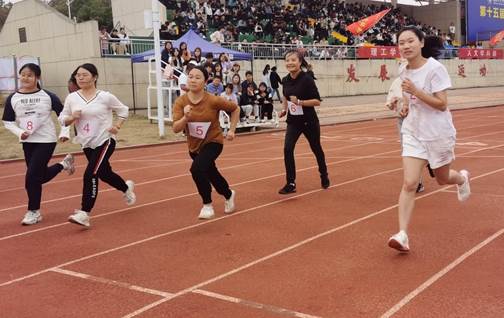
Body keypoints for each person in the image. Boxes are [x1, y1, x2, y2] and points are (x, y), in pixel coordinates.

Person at [387, 26, 471, 253]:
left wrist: (415, 91)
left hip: (437, 133)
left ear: (422, 42)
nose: (406, 46)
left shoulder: (436, 69)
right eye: (401, 42)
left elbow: (442, 104)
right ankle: (402, 234)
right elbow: (408, 98)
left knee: (443, 179)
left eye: (410, 41)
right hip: (413, 131)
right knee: (409, 183)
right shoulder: (403, 70)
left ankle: (461, 179)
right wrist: (402, 105)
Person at [59, 63, 136, 228]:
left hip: (105, 140)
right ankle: (125, 188)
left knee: (90, 173)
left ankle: (84, 213)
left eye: (84, 74)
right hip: (87, 143)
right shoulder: (72, 98)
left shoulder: (105, 96)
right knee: (104, 173)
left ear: (94, 77)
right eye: (78, 75)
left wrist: (117, 126)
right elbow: (63, 119)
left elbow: (123, 110)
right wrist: (71, 118)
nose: (80, 77)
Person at [2, 63, 75, 225]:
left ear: (37, 77)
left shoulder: (48, 96)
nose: (25, 78)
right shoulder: (13, 98)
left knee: (31, 177)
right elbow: (7, 121)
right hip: (28, 142)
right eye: (23, 75)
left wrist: (64, 133)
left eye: (29, 75)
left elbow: (63, 116)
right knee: (38, 177)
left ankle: (33, 211)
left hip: (46, 140)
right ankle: (64, 164)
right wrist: (20, 132)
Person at [172, 66, 240, 219]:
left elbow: (235, 109)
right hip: (194, 146)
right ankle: (228, 194)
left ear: (205, 81)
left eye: (198, 77)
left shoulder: (213, 99)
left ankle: (207, 205)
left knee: (197, 169)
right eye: (190, 76)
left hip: (213, 141)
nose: (193, 80)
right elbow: (176, 128)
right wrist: (185, 118)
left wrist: (232, 130)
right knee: (211, 173)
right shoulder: (181, 102)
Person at [278, 49, 329, 194]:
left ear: (300, 62)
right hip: (293, 121)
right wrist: (284, 109)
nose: (290, 63)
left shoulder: (307, 79)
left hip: (309, 121)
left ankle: (323, 174)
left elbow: (317, 101)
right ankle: (291, 183)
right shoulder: (285, 80)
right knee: (287, 149)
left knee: (316, 148)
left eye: (293, 60)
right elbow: (285, 96)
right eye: (287, 60)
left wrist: (300, 102)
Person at [385, 60, 425, 193]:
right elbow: (390, 103)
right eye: (400, 65)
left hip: (418, 120)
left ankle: (427, 166)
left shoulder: (418, 80)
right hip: (402, 121)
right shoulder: (396, 82)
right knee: (407, 151)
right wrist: (392, 103)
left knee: (420, 149)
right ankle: (416, 181)